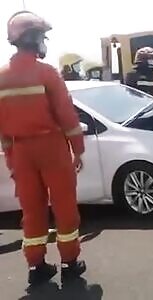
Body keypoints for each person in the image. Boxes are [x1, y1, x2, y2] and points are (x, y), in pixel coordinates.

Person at [0, 11, 87, 286]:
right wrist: (78, 148)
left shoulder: (1, 76)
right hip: (51, 147)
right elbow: (66, 115)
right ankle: (70, 263)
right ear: (34, 38)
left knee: (32, 209)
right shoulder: (46, 72)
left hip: (20, 151)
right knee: (64, 205)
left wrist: (10, 152)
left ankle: (36, 266)